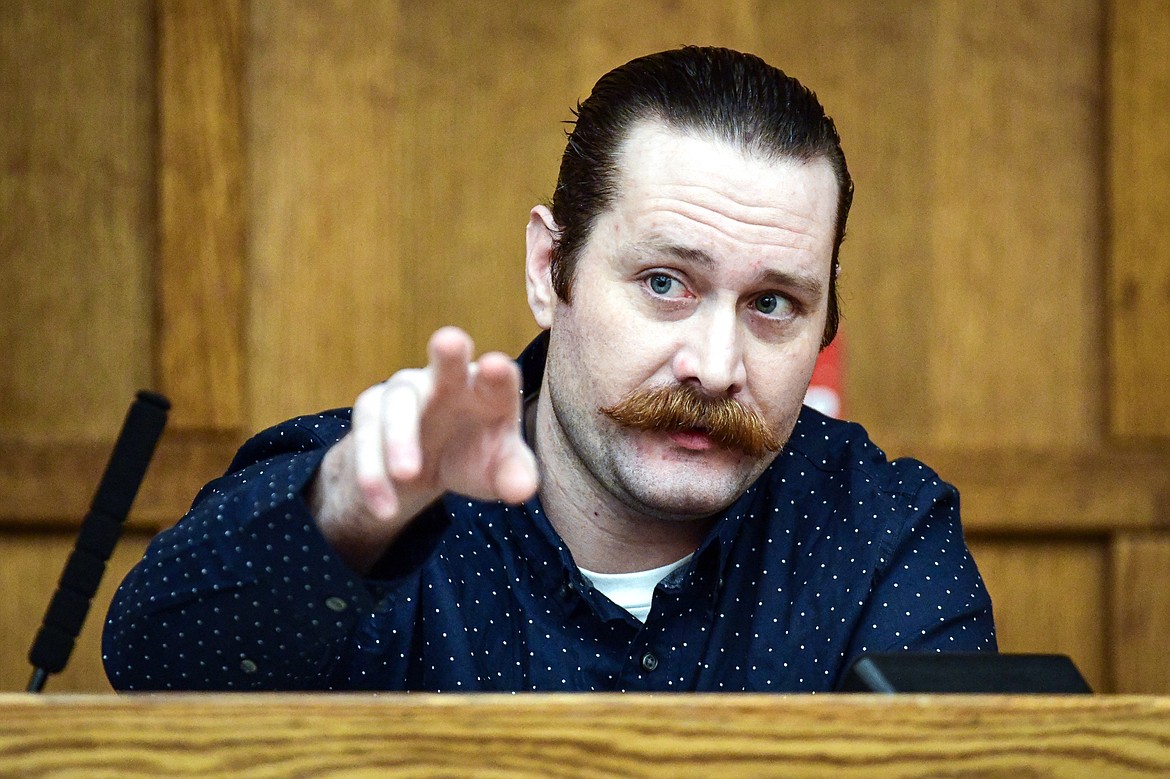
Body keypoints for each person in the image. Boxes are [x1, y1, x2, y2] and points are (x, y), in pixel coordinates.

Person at [103, 46, 995, 692]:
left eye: (772, 304)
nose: (717, 366)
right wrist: (345, 518)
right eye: (664, 282)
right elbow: (148, 667)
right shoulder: (373, 484)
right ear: (548, 269)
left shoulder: (883, 536)